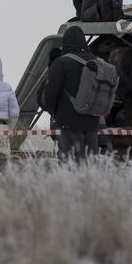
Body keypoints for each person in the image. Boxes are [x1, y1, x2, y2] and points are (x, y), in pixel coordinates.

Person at [41, 26, 103, 162]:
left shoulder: (60, 63)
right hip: (92, 123)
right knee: (91, 164)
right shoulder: (98, 63)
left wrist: (56, 114)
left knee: (70, 164)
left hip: (68, 124)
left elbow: (50, 95)